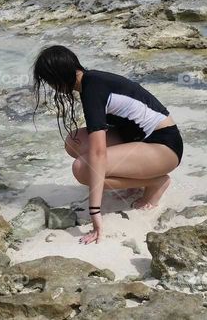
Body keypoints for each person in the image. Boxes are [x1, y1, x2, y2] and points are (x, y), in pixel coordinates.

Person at [32, 45, 183, 245]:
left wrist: (95, 213)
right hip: (140, 139)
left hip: (164, 147)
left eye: (50, 82)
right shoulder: (91, 80)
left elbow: (98, 152)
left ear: (58, 77)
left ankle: (155, 182)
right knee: (73, 142)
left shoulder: (92, 90)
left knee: (82, 169)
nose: (52, 88)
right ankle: (137, 176)